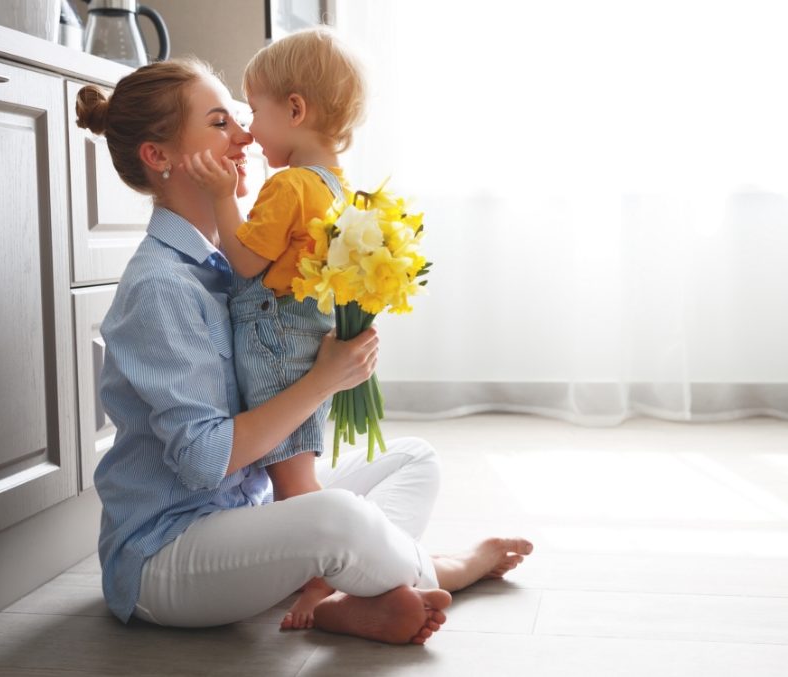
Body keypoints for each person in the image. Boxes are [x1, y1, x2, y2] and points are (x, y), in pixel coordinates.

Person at [76, 57, 532, 645]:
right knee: (336, 519)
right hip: (167, 555)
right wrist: (323, 379)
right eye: (220, 124)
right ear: (159, 157)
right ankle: (445, 567)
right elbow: (203, 460)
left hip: (248, 518)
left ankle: (346, 595)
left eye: (240, 120)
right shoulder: (161, 285)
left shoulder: (233, 265)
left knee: (413, 458)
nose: (244, 137)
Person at [182, 25, 371, 630]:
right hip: (310, 341)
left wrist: (220, 197)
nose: (249, 131)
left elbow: (243, 260)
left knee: (294, 483)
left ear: (295, 109)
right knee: (299, 469)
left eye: (254, 112)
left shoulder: (289, 184)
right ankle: (339, 576)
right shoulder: (345, 190)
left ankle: (332, 583)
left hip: (275, 344)